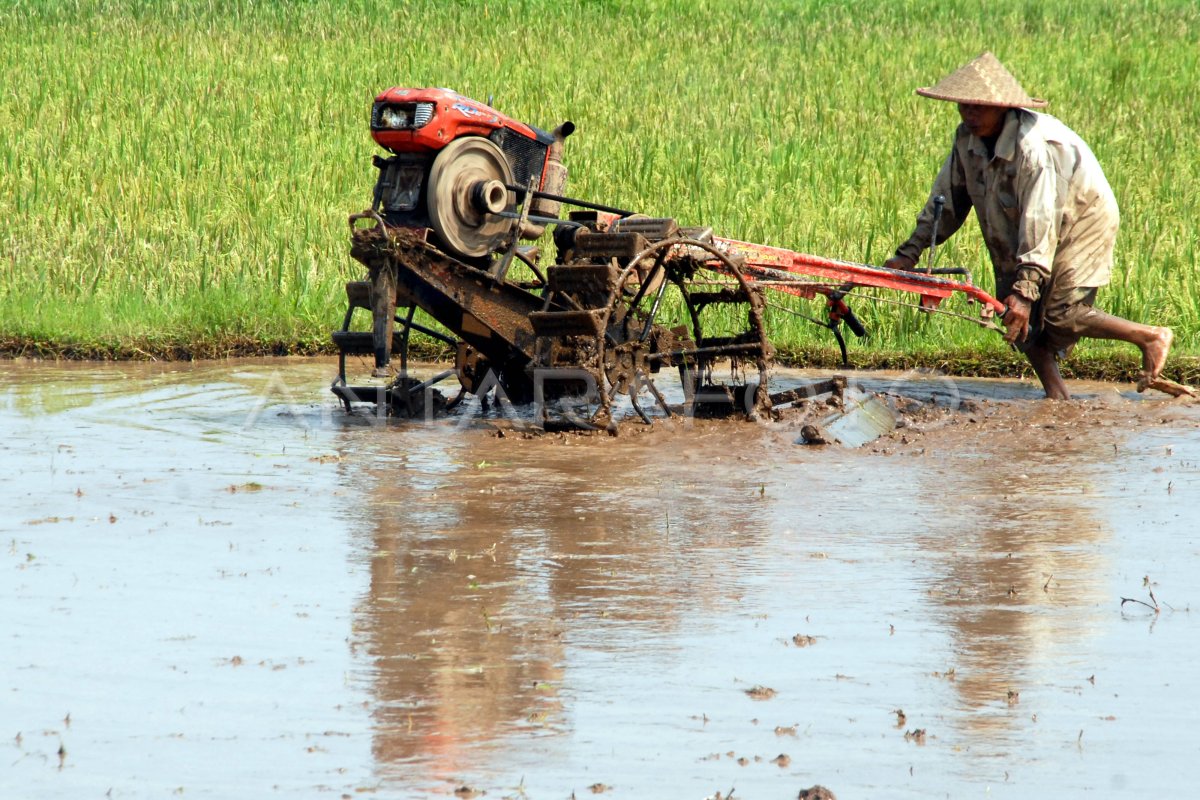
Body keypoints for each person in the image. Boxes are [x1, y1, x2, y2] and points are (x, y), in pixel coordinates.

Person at [882, 52, 1173, 400]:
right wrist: (909, 253)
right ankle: (1057, 397)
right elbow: (948, 200)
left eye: (978, 107)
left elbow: (1041, 216)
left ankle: (1149, 336)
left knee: (1062, 314)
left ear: (1003, 107)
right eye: (964, 106)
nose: (969, 114)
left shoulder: (1032, 148)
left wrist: (1026, 287)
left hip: (1081, 217)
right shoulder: (966, 140)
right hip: (1020, 218)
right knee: (1014, 314)